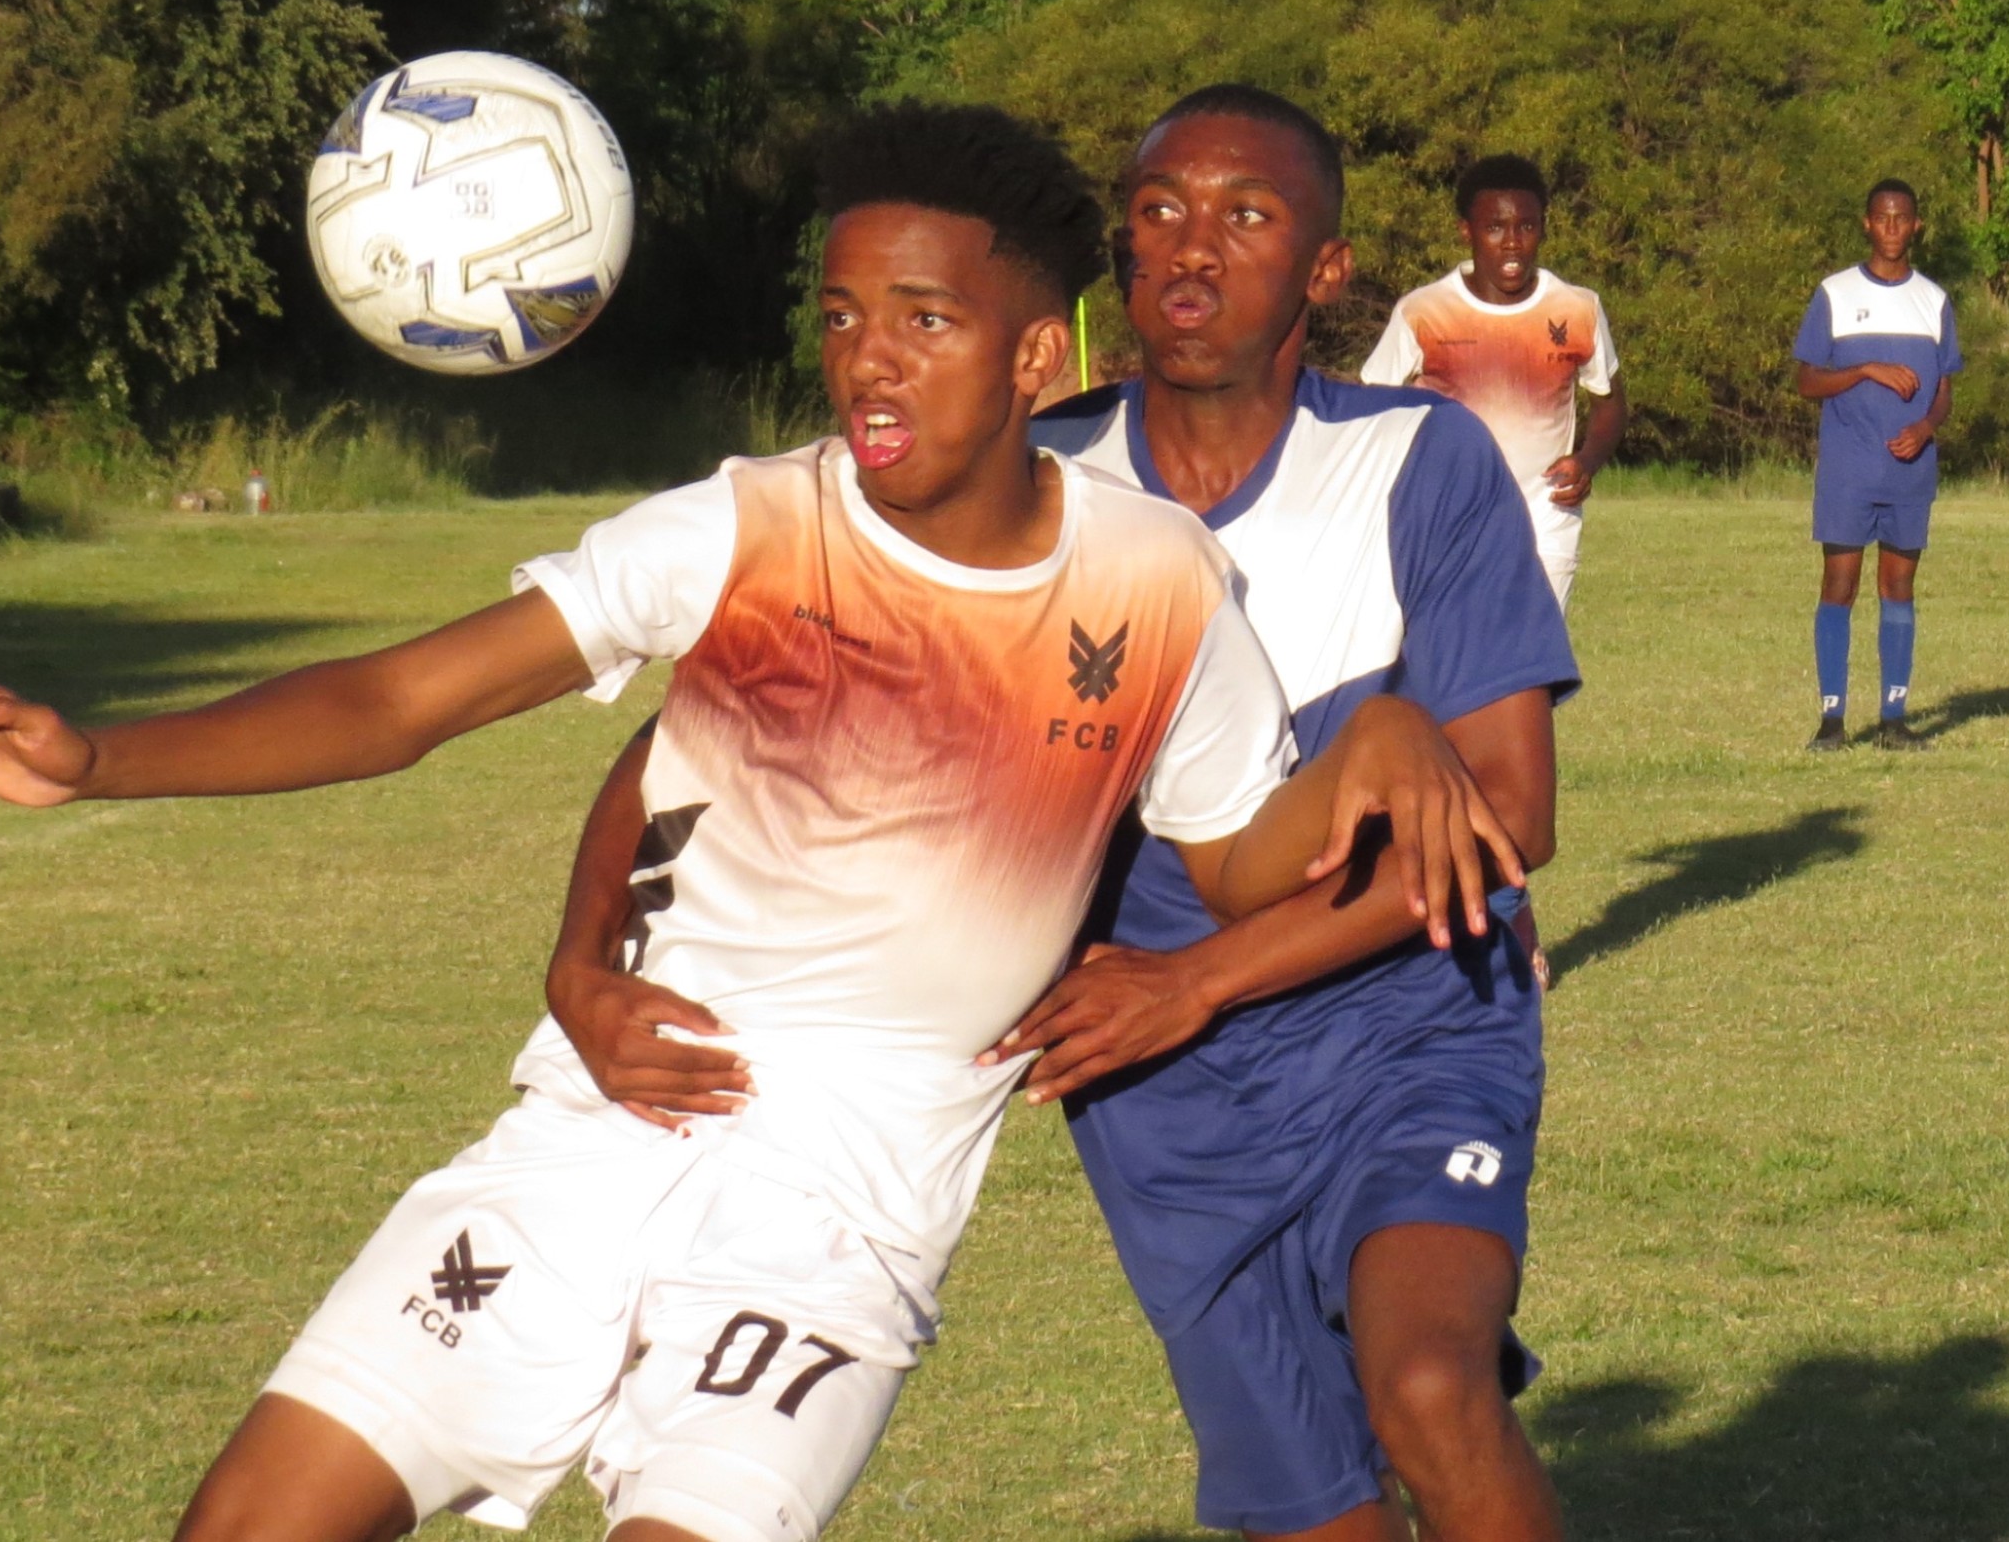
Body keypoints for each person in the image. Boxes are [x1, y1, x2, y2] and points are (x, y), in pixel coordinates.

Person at [0, 103, 1517, 1542]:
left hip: (841, 1222)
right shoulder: (745, 528)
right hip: (595, 1137)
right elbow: (407, 703)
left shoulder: (1158, 583)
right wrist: (102, 760)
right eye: (841, 316)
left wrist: (1376, 732)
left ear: (1034, 358)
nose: (869, 359)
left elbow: (1232, 853)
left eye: (924, 319)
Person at [553, 86, 1576, 1542]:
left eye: (1248, 217)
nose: (1193, 252)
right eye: (1159, 213)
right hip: (1156, 1090)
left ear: (1328, 273)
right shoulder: (1027, 483)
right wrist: (583, 953)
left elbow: (1511, 816)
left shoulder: (1420, 460)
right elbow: (706, 725)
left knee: (1429, 1389)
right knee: (1320, 1511)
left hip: (1403, 1013)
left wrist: (1198, 977)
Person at [1359, 154, 1624, 609]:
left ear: (1543, 226)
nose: (1513, 244)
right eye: (1495, 228)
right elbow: (1369, 407)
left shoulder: (1577, 308)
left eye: (1527, 226)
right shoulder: (1423, 311)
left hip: (1547, 518)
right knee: (1453, 665)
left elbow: (1610, 402)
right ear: (1467, 231)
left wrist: (1588, 461)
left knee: (1533, 667)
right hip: (1447, 521)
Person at [1795, 177, 1961, 752]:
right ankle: (1832, 721)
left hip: (1909, 474)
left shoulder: (1934, 300)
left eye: (1902, 219)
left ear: (1916, 226)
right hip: (1848, 472)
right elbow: (1806, 381)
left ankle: (1894, 719)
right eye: (1882, 218)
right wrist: (1865, 369)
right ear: (1867, 224)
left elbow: (1943, 387)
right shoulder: (1834, 294)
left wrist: (1926, 427)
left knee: (1899, 587)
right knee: (1839, 585)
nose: (1892, 228)